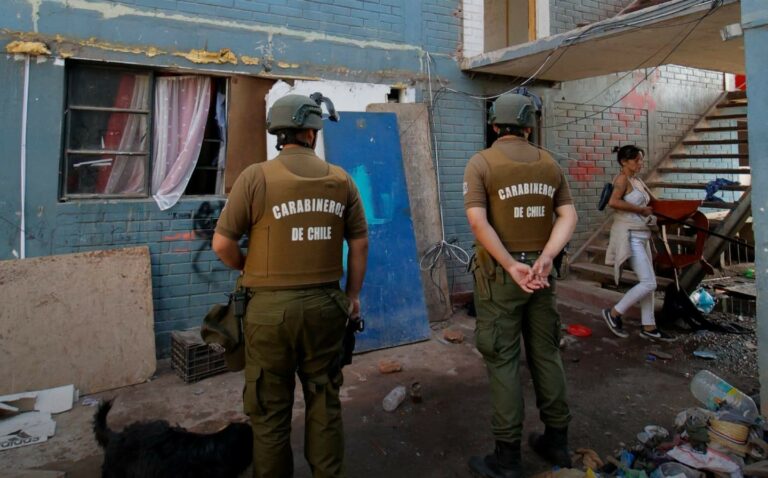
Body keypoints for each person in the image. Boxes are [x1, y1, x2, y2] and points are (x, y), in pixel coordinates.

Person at [212, 93, 369, 478]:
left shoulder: (255, 177)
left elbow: (222, 244)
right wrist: (351, 297)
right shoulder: (341, 180)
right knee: (324, 404)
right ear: (312, 132)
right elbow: (360, 243)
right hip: (325, 309)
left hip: (267, 315)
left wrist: (251, 268)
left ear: (278, 133)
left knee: (269, 416)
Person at [463, 92, 578, 478]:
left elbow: (479, 222)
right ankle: (558, 442)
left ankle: (508, 458)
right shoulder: (549, 164)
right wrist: (545, 257)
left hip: (501, 278)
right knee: (546, 353)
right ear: (529, 126)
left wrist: (512, 265)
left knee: (503, 360)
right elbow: (568, 215)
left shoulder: (481, 163)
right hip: (542, 276)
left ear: (495, 125)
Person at [602, 145, 675, 341]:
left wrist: (674, 212)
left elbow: (653, 202)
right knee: (649, 282)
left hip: (643, 235)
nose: (640, 163)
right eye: (636, 160)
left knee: (648, 281)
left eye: (641, 160)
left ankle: (649, 326)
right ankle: (614, 313)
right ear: (624, 162)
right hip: (630, 236)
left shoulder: (637, 180)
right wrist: (639, 210)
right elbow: (613, 202)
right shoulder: (622, 179)